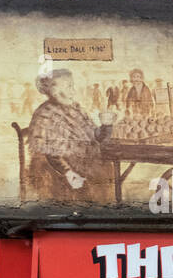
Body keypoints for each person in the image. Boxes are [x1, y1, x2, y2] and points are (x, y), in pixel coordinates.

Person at [27, 68, 116, 203]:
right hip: (57, 173)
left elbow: (95, 137)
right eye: (69, 86)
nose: (73, 91)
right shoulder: (45, 114)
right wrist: (68, 172)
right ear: (54, 91)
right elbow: (47, 154)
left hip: (82, 164)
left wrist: (106, 125)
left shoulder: (75, 108)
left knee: (108, 170)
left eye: (72, 86)